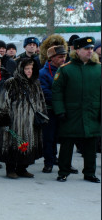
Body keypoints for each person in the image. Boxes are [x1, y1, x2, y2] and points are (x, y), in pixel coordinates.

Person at [53, 36, 101, 183]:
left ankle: (90, 173)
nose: (90, 51)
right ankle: (63, 172)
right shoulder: (66, 69)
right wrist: (60, 111)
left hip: (92, 113)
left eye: (91, 48)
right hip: (71, 113)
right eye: (86, 49)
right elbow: (57, 92)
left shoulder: (98, 69)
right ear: (77, 50)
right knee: (67, 144)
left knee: (91, 146)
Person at [0, 57, 47, 179]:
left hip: (31, 121)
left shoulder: (35, 83)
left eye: (31, 68)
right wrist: (4, 116)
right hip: (15, 121)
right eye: (26, 68)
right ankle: (10, 169)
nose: (29, 71)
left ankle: (22, 168)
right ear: (20, 69)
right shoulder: (11, 82)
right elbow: (3, 101)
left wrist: (43, 115)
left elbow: (41, 100)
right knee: (13, 143)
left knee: (27, 145)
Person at [37, 36, 69, 173]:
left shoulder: (67, 70)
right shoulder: (43, 73)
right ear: (51, 58)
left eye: (64, 56)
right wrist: (61, 99)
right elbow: (45, 92)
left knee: (61, 137)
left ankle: (60, 161)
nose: (63, 59)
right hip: (49, 110)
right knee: (49, 138)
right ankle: (48, 162)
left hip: (64, 109)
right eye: (60, 57)